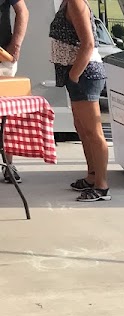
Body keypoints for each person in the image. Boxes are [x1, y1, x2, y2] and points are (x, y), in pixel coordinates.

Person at [49, 0, 109, 201]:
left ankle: (101, 185)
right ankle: (92, 176)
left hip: (85, 74)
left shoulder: (76, 3)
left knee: (93, 132)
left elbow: (88, 43)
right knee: (82, 129)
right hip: (75, 74)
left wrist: (74, 75)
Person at [0, 0, 29, 184]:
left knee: (6, 115)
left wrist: (16, 45)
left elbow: (22, 11)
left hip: (2, 57)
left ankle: (9, 164)